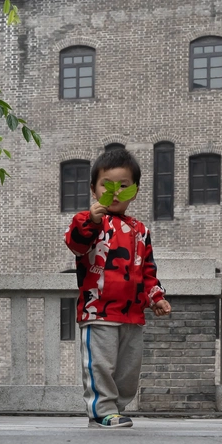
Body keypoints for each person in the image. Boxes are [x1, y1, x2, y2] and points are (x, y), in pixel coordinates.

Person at [65, 148, 171, 429]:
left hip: (133, 315)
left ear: (134, 191)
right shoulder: (88, 222)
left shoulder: (141, 230)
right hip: (97, 311)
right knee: (100, 365)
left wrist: (156, 296)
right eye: (106, 186)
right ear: (93, 189)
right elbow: (76, 244)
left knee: (127, 371)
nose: (114, 193)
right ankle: (101, 410)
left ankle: (116, 409)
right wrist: (91, 219)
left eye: (122, 186)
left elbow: (147, 269)